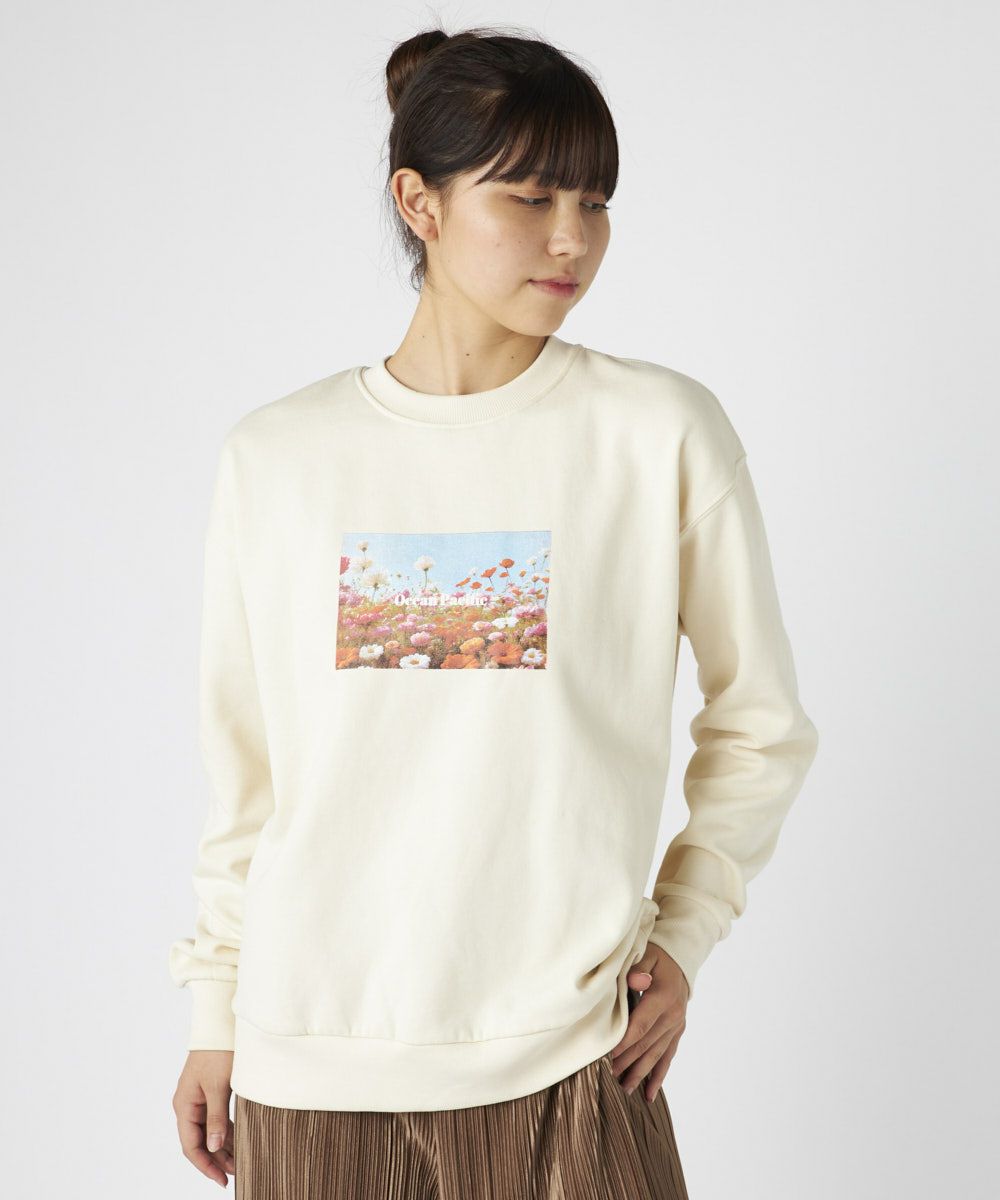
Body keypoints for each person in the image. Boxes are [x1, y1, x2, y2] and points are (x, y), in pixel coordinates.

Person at [169, 24, 819, 1199]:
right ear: (418, 202)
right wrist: (216, 1008)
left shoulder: (655, 434)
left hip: (573, 1058)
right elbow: (246, 770)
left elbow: (760, 723)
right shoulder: (280, 457)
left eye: (594, 202)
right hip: (310, 1064)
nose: (572, 239)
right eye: (528, 198)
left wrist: (683, 934)